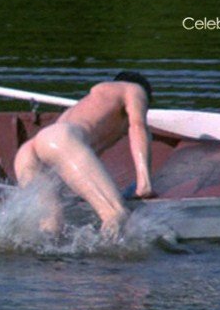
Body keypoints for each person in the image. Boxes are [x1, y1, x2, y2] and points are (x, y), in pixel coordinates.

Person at [13, 71, 155, 240]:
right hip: (59, 138)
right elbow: (138, 127)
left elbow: (73, 165)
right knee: (116, 213)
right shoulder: (134, 89)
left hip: (28, 151)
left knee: (51, 227)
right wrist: (144, 184)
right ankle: (107, 257)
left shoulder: (91, 106)